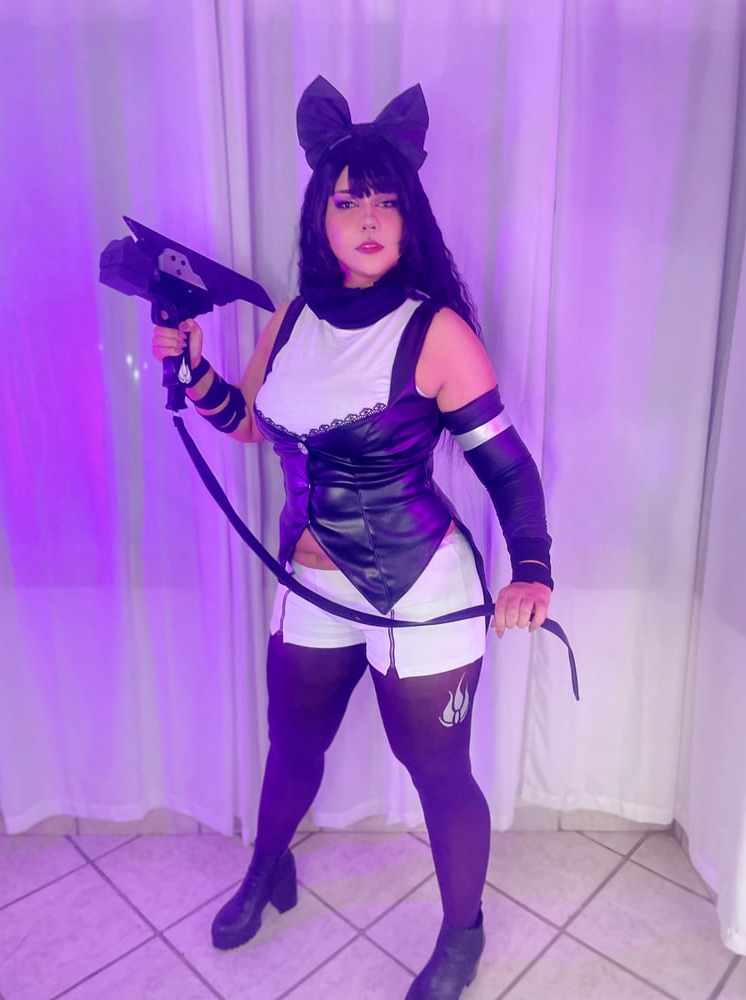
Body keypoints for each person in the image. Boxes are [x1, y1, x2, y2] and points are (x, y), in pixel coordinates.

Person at [152, 76, 553, 1000]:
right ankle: (269, 868)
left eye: (385, 201)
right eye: (347, 202)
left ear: (409, 217)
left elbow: (509, 470)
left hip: (420, 586)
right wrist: (199, 373)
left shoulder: (437, 332)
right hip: (312, 583)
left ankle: (462, 934)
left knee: (437, 773)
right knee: (291, 742)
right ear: (321, 218)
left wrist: (531, 569)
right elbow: (250, 423)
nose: (367, 218)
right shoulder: (292, 321)